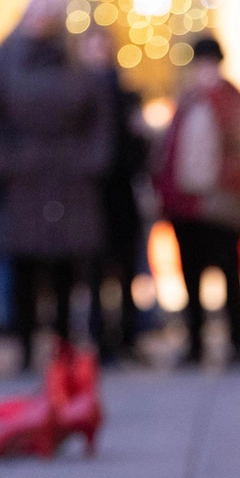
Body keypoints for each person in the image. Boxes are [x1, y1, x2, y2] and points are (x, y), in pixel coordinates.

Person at [0, 0, 113, 372]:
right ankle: (24, 347)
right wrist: (3, 160)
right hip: (22, 178)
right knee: (24, 264)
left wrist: (89, 161)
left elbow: (99, 119)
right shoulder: (4, 62)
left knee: (68, 267)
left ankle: (65, 348)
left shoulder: (76, 64)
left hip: (69, 178)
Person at [153, 36, 240, 369]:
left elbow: (237, 139)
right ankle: (195, 343)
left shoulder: (230, 99)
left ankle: (238, 343)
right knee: (191, 276)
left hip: (222, 202)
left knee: (230, 273)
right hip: (186, 203)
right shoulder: (188, 100)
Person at [81, 26, 148, 366]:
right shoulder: (77, 95)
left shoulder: (126, 96)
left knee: (126, 268)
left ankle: (128, 336)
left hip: (121, 192)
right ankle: (98, 339)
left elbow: (138, 148)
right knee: (94, 272)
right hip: (92, 193)